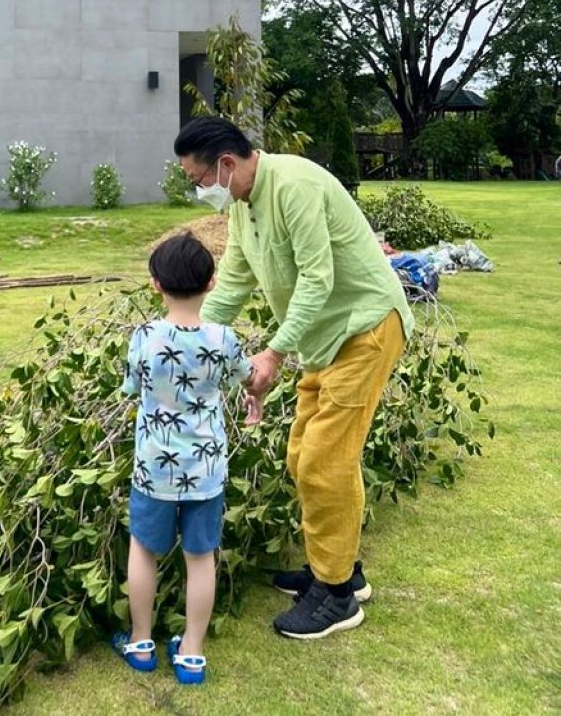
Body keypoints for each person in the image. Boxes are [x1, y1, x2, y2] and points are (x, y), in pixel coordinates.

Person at [174, 116, 415, 640]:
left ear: (226, 164)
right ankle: (338, 566)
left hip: (365, 326)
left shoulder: (295, 185)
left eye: (198, 179)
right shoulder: (243, 204)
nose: (199, 190)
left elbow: (317, 276)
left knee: (326, 461)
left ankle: (336, 597)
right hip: (324, 337)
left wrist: (274, 353)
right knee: (302, 455)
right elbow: (234, 279)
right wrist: (186, 338)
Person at [111, 232, 261, 684]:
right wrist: (257, 399)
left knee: (144, 549)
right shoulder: (223, 338)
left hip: (154, 467)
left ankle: (141, 640)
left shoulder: (144, 337)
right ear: (212, 283)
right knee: (201, 557)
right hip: (206, 470)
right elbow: (250, 377)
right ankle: (192, 652)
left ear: (155, 284)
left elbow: (132, 387)